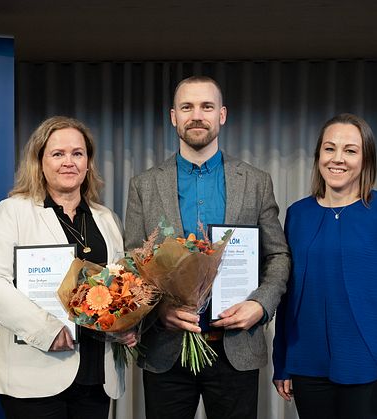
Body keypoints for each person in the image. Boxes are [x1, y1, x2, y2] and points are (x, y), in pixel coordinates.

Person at [124, 75, 291, 419]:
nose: (196, 115)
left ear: (222, 115)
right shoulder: (144, 185)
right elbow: (133, 261)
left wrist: (260, 305)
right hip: (166, 350)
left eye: (206, 107)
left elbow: (277, 255)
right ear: (173, 116)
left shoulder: (255, 182)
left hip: (235, 349)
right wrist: (158, 312)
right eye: (187, 107)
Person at [0, 116, 134, 419]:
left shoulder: (106, 219)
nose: (68, 162)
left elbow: (120, 287)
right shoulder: (15, 211)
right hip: (34, 372)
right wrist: (45, 330)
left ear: (88, 162)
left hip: (96, 375)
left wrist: (124, 325)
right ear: (40, 162)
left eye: (78, 153)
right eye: (57, 154)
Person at [272, 113, 377, 418]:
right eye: (329, 148)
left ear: (365, 159)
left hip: (371, 369)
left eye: (350, 150)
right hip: (307, 367)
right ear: (318, 156)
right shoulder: (297, 214)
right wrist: (283, 360)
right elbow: (289, 296)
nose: (337, 159)